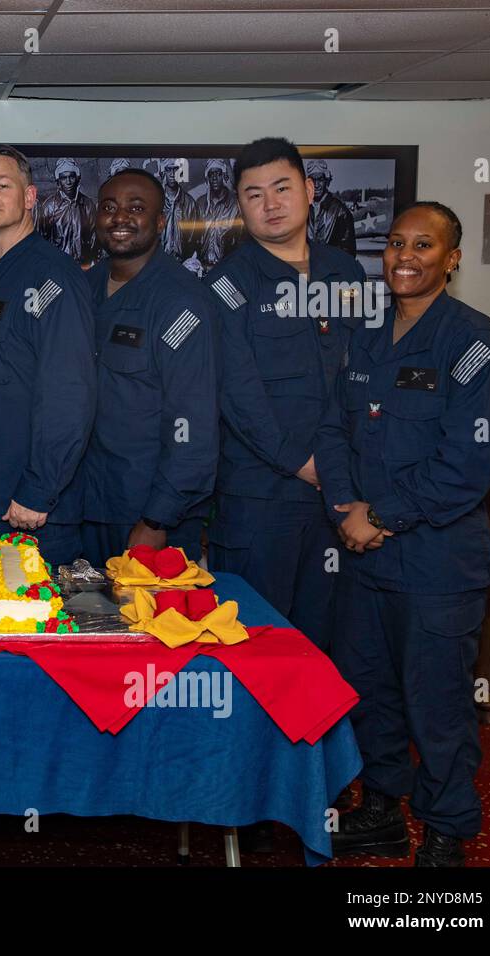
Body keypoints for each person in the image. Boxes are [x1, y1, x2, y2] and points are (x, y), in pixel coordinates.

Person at [316, 202, 490, 867]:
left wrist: (380, 517)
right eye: (397, 242)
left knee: (437, 705)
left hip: (435, 564)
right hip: (364, 556)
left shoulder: (476, 344)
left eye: (424, 245)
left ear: (452, 260)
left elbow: (467, 466)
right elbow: (334, 430)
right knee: (369, 689)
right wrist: (348, 505)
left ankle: (444, 833)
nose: (404, 255)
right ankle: (380, 812)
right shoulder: (366, 335)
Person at [204, 137, 366, 654]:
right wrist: (304, 463)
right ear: (240, 205)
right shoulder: (228, 284)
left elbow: (362, 374)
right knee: (257, 645)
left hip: (342, 494)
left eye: (281, 188)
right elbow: (237, 392)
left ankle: (324, 740)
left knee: (329, 643)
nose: (270, 204)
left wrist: (344, 469)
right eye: (254, 194)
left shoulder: (346, 273)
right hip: (262, 499)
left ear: (309, 190)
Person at [0, 144, 97, 566]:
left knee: (31, 627)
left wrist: (38, 489)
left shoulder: (54, 277)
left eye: (1, 185)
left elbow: (69, 393)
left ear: (30, 197)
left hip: (31, 511)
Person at [81, 168, 218, 566]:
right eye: (109, 207)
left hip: (147, 513)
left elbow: (193, 423)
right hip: (86, 503)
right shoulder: (83, 290)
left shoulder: (181, 301)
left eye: (136, 208)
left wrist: (157, 518)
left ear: (160, 221)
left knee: (152, 626)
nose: (120, 218)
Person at [35, 157, 100, 266]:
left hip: (83, 267)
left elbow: (94, 238)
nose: (68, 181)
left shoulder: (87, 204)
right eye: (64, 178)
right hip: (57, 266)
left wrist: (93, 264)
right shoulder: (50, 206)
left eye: (71, 177)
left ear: (78, 178)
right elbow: (41, 241)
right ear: (58, 182)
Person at [306, 159, 358, 259]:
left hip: (330, 271)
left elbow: (348, 252)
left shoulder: (340, 211)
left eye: (320, 179)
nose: (316, 185)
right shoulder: (301, 208)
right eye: (313, 180)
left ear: (326, 181)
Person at [198, 158, 243, 270]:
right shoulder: (200, 203)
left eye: (218, 173)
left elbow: (240, 239)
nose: (214, 177)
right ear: (207, 177)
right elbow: (193, 237)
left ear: (223, 175)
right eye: (211, 173)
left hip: (227, 267)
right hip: (203, 267)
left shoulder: (235, 205)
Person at [156, 157, 203, 264]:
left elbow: (195, 237)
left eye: (175, 169)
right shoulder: (155, 200)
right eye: (168, 169)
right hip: (157, 263)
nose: (172, 174)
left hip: (182, 263)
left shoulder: (189, 203)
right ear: (163, 172)